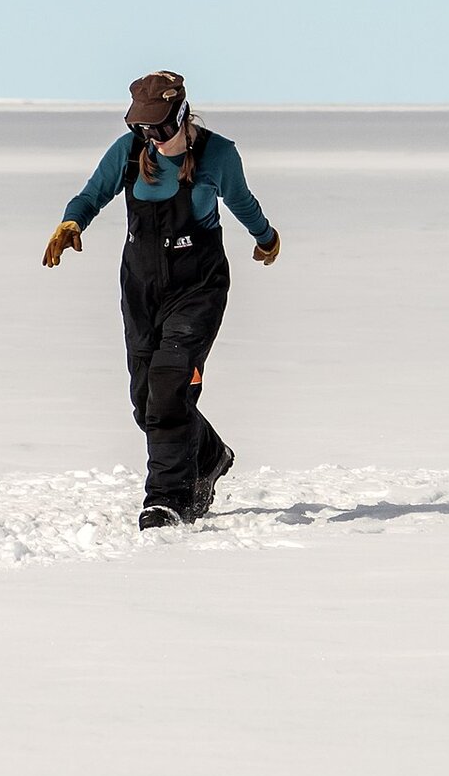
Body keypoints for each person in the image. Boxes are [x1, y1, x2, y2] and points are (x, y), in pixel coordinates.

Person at [43, 70, 280, 529]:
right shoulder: (128, 153)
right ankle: (209, 454)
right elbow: (92, 194)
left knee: (171, 381)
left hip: (198, 286)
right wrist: (72, 223)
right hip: (141, 287)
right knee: (146, 402)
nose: (153, 136)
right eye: (143, 128)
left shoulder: (218, 154)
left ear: (183, 114)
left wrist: (265, 237)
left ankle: (167, 500)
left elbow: (242, 201)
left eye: (163, 127)